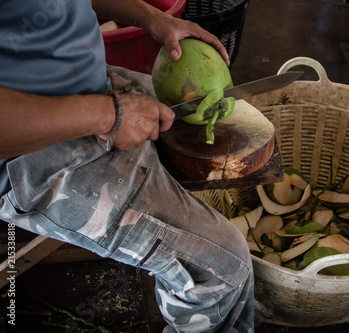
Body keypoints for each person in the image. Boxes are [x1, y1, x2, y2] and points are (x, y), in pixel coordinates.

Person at [0, 0, 254, 332]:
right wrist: (110, 115)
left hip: (91, 89)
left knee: (210, 131)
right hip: (30, 153)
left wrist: (154, 19)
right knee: (224, 268)